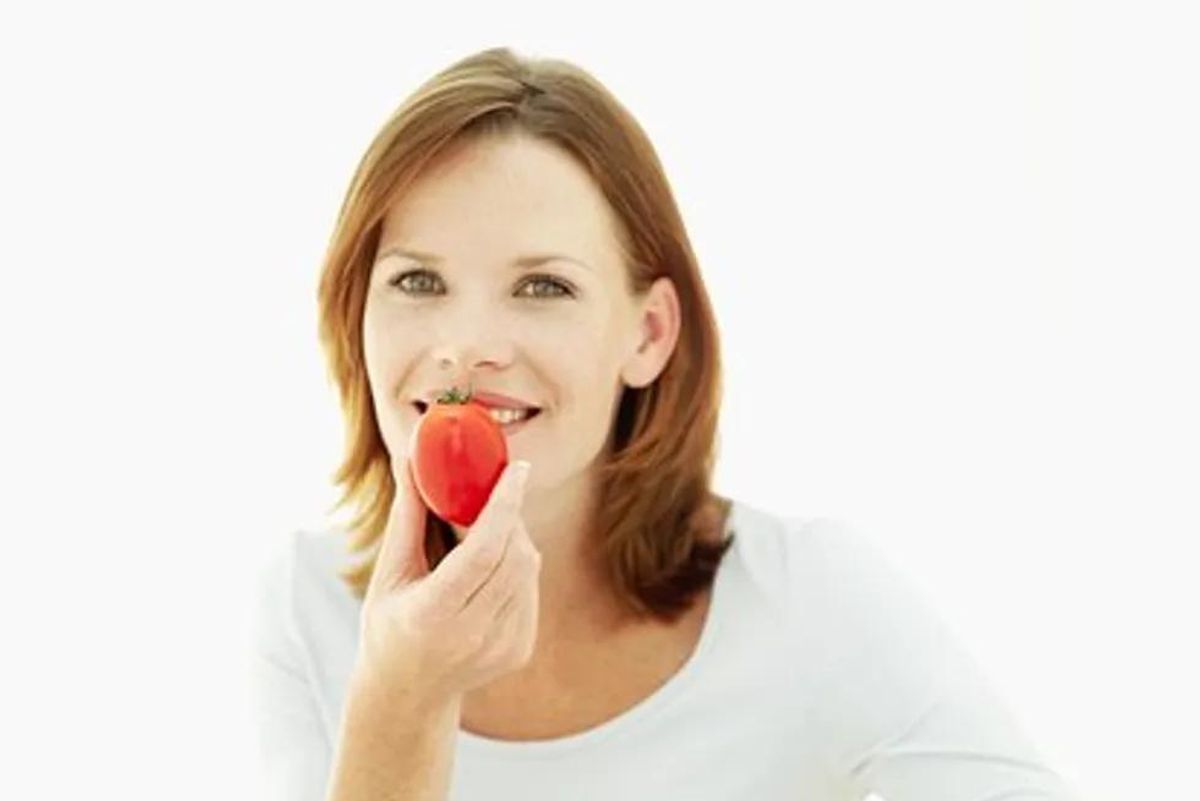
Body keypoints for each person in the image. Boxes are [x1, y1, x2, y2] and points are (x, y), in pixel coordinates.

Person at [251, 46, 1078, 801]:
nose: (465, 348)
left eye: (543, 286)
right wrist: (402, 696)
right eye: (418, 282)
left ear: (647, 333)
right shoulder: (307, 609)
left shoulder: (807, 598)